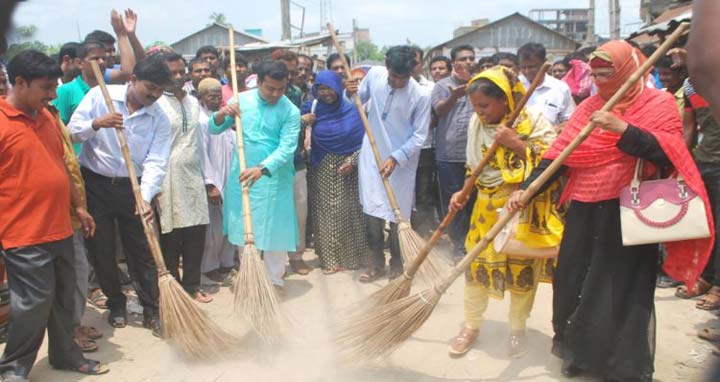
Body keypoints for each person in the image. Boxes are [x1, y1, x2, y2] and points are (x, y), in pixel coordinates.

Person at [506, 40, 714, 381]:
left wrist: (624, 130)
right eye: (596, 75)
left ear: (629, 71)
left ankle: (621, 366)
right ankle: (579, 355)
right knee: (574, 281)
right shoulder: (588, 108)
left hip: (629, 212)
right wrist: (529, 188)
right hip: (585, 209)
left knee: (618, 289)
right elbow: (558, 155)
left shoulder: (658, 103)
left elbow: (670, 153)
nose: (601, 81)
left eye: (608, 74)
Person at [0, 49, 109, 381]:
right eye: (46, 88)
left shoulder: (47, 117)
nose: (52, 95)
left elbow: (61, 165)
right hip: (22, 233)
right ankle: (13, 369)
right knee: (33, 303)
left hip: (60, 226)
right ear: (19, 82)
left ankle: (64, 355)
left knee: (64, 299)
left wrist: (77, 206)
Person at [447, 66, 562, 358]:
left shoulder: (533, 121)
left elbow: (552, 163)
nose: (479, 112)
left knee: (521, 272)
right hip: (484, 209)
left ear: (505, 100)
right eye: (475, 106)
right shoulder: (477, 124)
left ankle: (517, 331)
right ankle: (471, 326)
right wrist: (463, 191)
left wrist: (517, 144)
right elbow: (474, 167)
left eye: (484, 106)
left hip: (519, 208)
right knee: (474, 270)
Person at [69, 56, 172, 337]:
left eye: (159, 91)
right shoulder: (99, 96)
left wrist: (145, 195)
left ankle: (152, 309)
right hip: (95, 185)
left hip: (133, 187)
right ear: (133, 79)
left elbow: (157, 160)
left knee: (143, 249)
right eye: (149, 87)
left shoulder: (159, 117)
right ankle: (116, 304)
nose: (153, 94)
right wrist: (97, 124)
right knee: (101, 250)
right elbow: (71, 134)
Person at [208, 60, 301, 291]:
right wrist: (222, 113)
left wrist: (262, 168)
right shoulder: (241, 100)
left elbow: (287, 148)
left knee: (275, 231)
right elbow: (214, 128)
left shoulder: (291, 111)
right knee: (244, 226)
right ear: (258, 82)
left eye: (281, 89)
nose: (276, 94)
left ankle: (275, 281)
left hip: (274, 177)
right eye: (270, 88)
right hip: (242, 174)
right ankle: (249, 277)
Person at [353, 46, 431, 282]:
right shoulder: (375, 75)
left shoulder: (421, 95)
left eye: (403, 78)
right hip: (372, 153)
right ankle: (375, 264)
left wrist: (397, 157)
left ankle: (397, 265)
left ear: (413, 71)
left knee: (399, 215)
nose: (397, 82)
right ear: (386, 68)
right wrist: (350, 92)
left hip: (401, 161)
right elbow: (357, 99)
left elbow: (420, 136)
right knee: (372, 211)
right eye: (393, 76)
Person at [155, 53, 212, 303]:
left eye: (181, 72)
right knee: (171, 234)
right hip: (167, 176)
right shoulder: (155, 103)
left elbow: (201, 139)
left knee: (196, 232)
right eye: (172, 73)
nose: (178, 77)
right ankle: (174, 287)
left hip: (193, 174)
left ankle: (193, 284)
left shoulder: (192, 101)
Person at [301, 71, 367, 273]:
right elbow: (290, 129)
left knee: (353, 212)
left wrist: (353, 161)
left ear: (339, 87)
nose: (326, 93)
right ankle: (330, 261)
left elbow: (366, 141)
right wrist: (303, 121)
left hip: (351, 167)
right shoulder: (310, 109)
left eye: (330, 88)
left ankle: (353, 259)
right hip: (322, 167)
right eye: (321, 88)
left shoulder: (354, 109)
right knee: (327, 213)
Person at [675, 78, 720, 309]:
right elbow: (689, 126)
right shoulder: (693, 84)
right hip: (704, 163)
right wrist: (681, 162)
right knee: (707, 227)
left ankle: (717, 286)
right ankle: (705, 277)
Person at [432, 44, 476, 260]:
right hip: (449, 155)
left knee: (475, 202)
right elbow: (438, 111)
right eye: (463, 59)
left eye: (471, 58)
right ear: (454, 63)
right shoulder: (442, 85)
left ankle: (473, 244)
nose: (468, 62)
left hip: (476, 155)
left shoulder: (481, 83)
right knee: (454, 203)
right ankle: (458, 246)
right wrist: (454, 96)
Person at [271, 49, 312, 275]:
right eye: (284, 72)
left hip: (295, 162)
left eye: (292, 72)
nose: (288, 77)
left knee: (299, 212)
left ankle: (296, 256)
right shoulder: (262, 95)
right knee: (274, 214)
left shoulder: (296, 92)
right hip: (269, 165)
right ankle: (274, 263)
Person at [197, 78, 237, 284]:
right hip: (214, 181)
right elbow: (202, 154)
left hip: (230, 178)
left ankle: (227, 263)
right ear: (201, 97)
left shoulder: (224, 118)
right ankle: (209, 266)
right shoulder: (202, 121)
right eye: (210, 96)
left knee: (230, 224)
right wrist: (210, 184)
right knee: (213, 229)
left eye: (218, 96)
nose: (215, 99)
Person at [53, 40, 108, 154]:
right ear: (79, 63)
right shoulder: (65, 91)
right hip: (79, 164)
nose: (101, 62)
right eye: (95, 59)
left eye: (104, 58)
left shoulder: (110, 92)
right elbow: (58, 130)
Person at [410, 46, 439, 238]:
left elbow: (436, 116)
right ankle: (402, 234)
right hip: (399, 150)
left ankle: (421, 233)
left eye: (416, 62)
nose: (412, 66)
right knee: (402, 194)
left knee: (422, 193)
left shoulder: (430, 88)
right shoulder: (394, 86)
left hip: (424, 148)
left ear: (421, 64)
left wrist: (419, 130)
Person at [518, 43, 575, 129]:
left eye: (531, 67)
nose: (527, 71)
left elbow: (568, 118)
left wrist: (558, 129)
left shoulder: (561, 88)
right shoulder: (514, 85)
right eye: (523, 67)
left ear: (544, 63)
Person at [85, 9, 143, 84]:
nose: (113, 54)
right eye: (108, 51)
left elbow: (142, 64)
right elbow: (128, 74)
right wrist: (121, 35)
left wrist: (131, 35)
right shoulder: (98, 73)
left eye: (113, 50)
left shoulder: (116, 68)